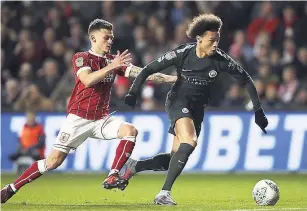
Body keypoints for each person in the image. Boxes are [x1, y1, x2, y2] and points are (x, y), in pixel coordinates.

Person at [1, 19, 177, 204]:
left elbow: (144, 74)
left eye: (112, 38)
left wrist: (173, 79)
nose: (110, 41)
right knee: (53, 162)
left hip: (101, 119)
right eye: (106, 37)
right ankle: (10, 189)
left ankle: (113, 175)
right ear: (93, 37)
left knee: (130, 131)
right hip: (78, 119)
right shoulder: (82, 57)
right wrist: (113, 66)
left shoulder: (112, 61)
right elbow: (87, 80)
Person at [124, 14, 268, 205]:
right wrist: (133, 92)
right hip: (178, 101)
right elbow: (148, 69)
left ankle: (135, 166)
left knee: (174, 157)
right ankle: (164, 193)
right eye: (211, 40)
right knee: (190, 141)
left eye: (217, 40)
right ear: (199, 39)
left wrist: (258, 111)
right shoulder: (182, 53)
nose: (216, 44)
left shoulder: (221, 59)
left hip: (197, 109)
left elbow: (247, 80)